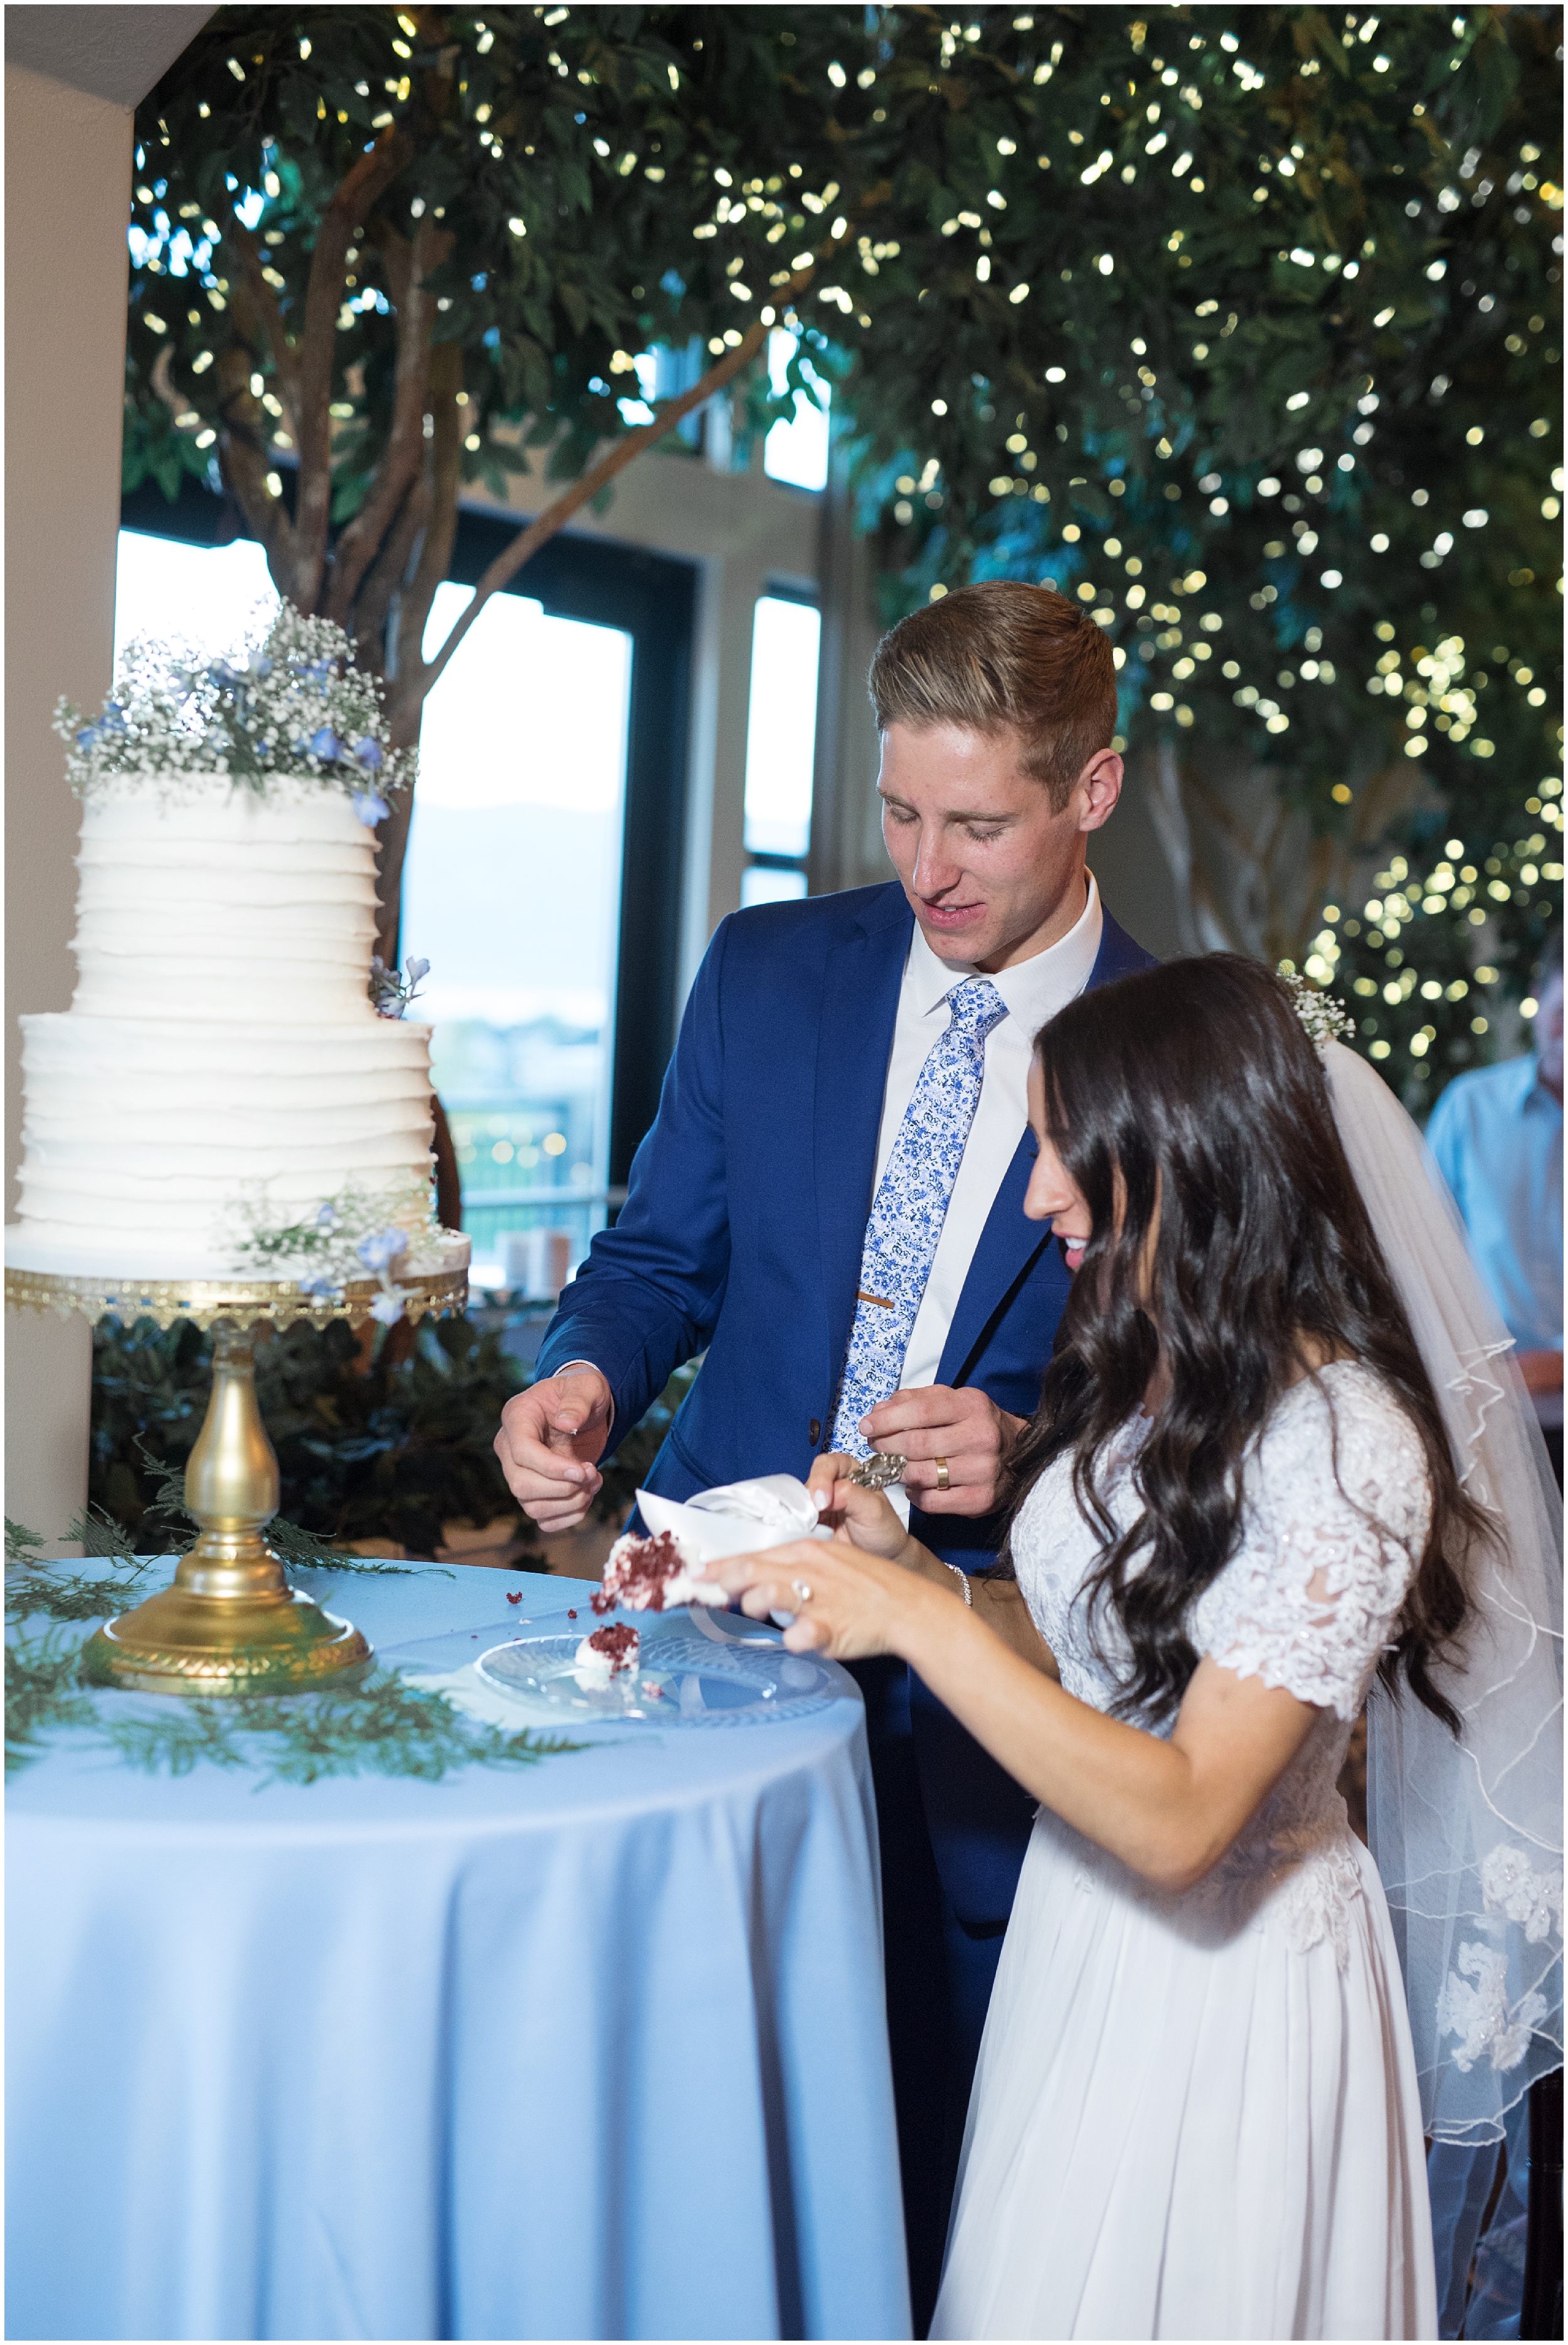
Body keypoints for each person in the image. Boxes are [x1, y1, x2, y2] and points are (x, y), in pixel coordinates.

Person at [709, 955, 1563, 2342]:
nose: (1040, 1190)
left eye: (1064, 1148)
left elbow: (1182, 1820)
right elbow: (1091, 1668)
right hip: (1078, 1939)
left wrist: (915, 1627)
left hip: (1227, 1995)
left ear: (1186, 1158)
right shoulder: (1151, 1373)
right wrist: (912, 1566)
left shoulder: (1347, 1448)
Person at [495, 580, 1155, 2322]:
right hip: (694, 1640)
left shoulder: (1170, 1054)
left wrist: (1021, 1454)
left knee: (926, 2151)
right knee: (665, 2109)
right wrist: (578, 1377)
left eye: (979, 824)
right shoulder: (768, 969)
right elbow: (655, 1262)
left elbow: (1200, 1398)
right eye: (899, 810)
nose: (928, 866)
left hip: (979, 1693)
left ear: (1090, 792)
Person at [1426, 931, 1563, 1481]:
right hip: (1495, 1417)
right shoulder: (1469, 1109)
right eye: (1562, 1013)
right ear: (1537, 996)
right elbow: (1424, 1254)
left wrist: (1551, 1367)